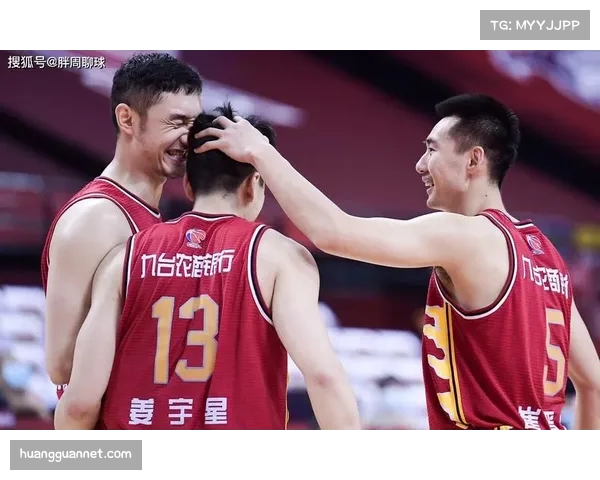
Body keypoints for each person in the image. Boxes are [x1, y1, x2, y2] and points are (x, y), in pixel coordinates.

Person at [192, 93, 600, 431]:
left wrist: (260, 152)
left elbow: (334, 232)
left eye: (431, 150)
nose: (420, 164)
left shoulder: (464, 234)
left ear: (474, 160)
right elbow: (592, 382)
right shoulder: (546, 254)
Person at [54, 104, 361, 431]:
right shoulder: (281, 257)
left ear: (188, 184)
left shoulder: (124, 259)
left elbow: (80, 405)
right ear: (254, 183)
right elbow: (324, 378)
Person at [41, 53, 203, 397]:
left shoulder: (146, 213)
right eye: (176, 123)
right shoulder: (97, 219)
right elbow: (62, 364)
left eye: (194, 124)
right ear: (127, 119)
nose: (189, 138)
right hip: (109, 428)